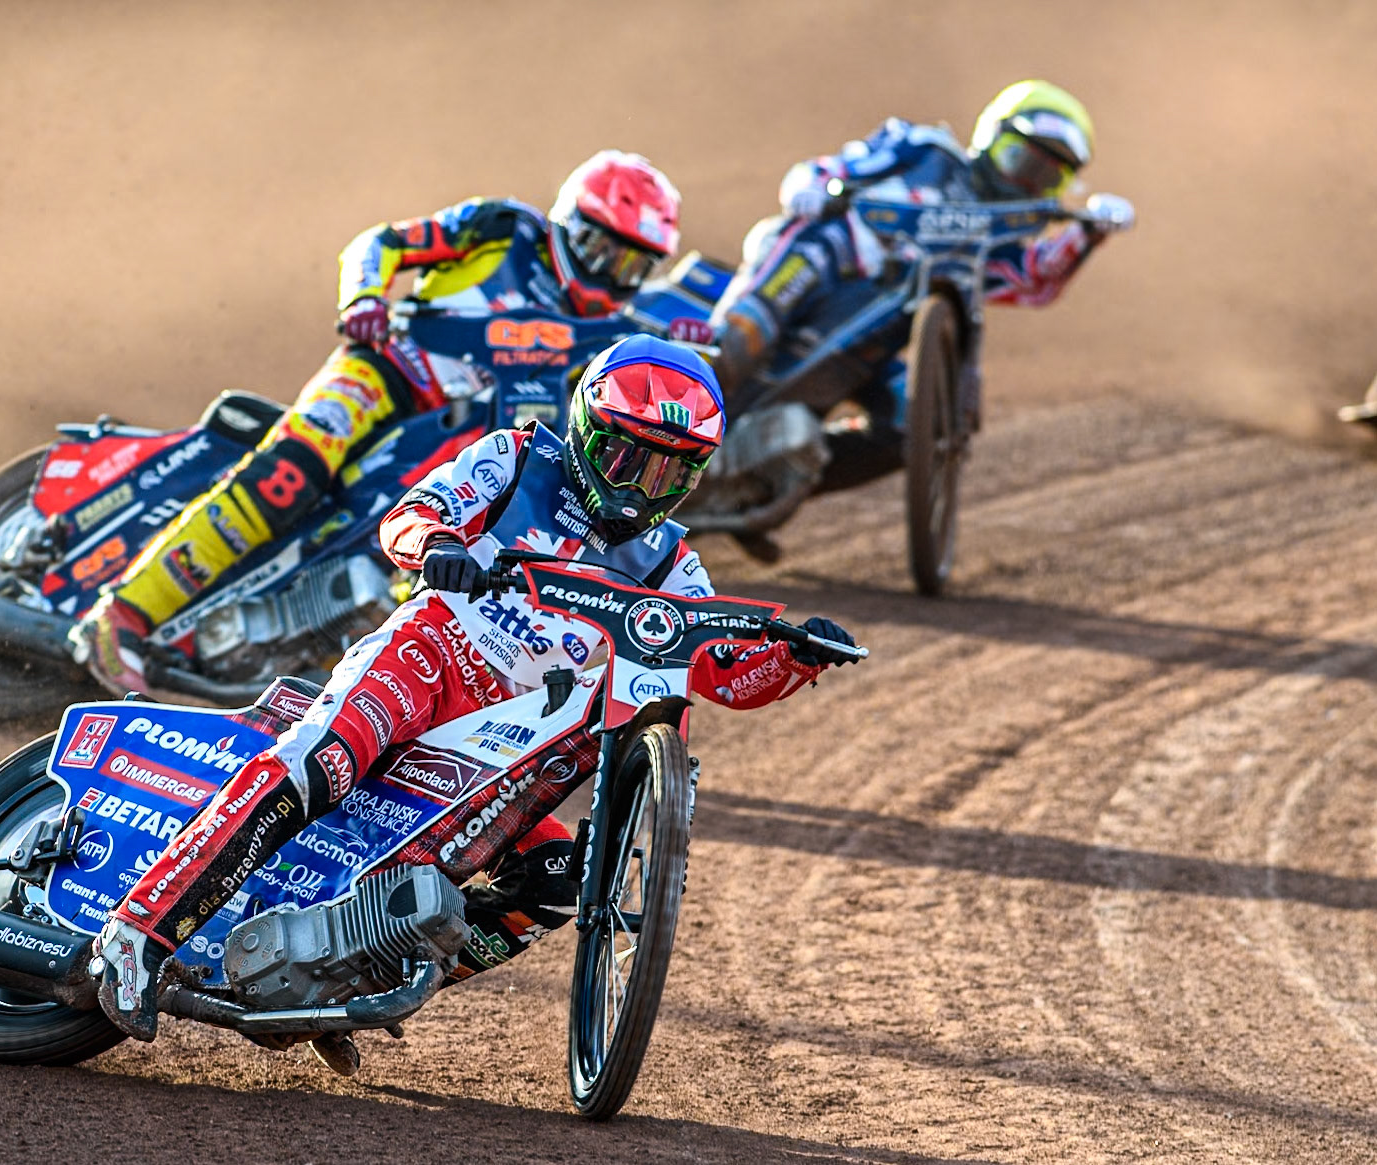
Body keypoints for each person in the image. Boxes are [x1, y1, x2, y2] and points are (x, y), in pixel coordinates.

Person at [92, 334, 858, 1041]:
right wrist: (438, 546)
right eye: (627, 460)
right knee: (316, 763)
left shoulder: (670, 564)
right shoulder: (517, 458)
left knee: (553, 882)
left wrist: (796, 655)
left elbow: (721, 667)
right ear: (588, 432)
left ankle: (347, 986)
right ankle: (137, 931)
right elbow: (412, 514)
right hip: (427, 657)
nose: (640, 489)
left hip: (507, 735)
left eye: (668, 470)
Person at [72, 151, 712, 697]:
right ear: (570, 222)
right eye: (602, 248)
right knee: (287, 476)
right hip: (387, 373)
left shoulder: (609, 336)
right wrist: (365, 299)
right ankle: (124, 611)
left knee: (441, 558)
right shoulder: (501, 228)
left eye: (632, 264)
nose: (609, 273)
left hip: (460, 433)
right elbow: (380, 244)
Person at [710, 79, 1136, 494]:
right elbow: (825, 171)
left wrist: (1089, 233)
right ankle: (674, 413)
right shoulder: (924, 150)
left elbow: (1036, 280)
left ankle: (763, 485)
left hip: (869, 343)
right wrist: (813, 188)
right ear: (992, 134)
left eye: (1047, 179)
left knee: (921, 421)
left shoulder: (999, 241)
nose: (1025, 184)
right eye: (1020, 162)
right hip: (822, 262)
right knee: (741, 338)